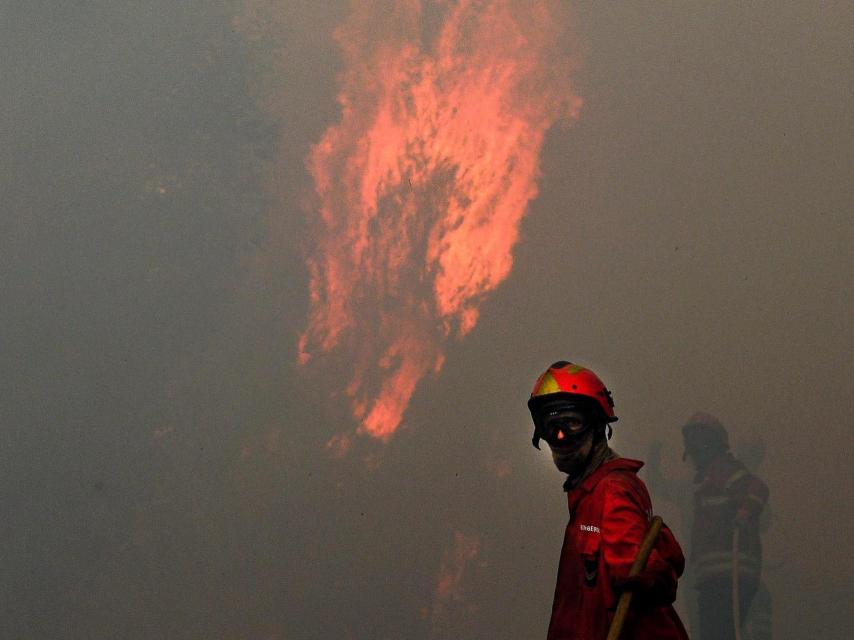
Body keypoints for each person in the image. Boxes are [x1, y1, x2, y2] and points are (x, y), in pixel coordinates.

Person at [528, 361, 689, 640]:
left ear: (598, 425)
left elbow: (638, 570)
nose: (561, 436)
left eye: (572, 422)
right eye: (551, 426)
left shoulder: (611, 490)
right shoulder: (586, 499)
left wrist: (645, 577)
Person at [682, 413, 769, 640]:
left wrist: (745, 511)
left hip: (728, 574)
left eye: (699, 441)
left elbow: (756, 487)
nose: (695, 450)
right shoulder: (706, 480)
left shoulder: (721, 469)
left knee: (718, 632)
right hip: (715, 578)